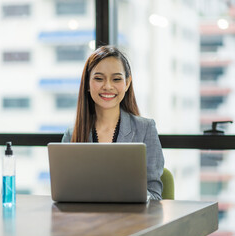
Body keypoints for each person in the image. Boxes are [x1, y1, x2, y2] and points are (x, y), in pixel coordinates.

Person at [62, 45, 164, 200]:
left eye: (116, 79)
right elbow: (64, 192)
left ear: (127, 83)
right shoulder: (71, 135)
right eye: (98, 78)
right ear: (88, 84)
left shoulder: (145, 129)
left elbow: (155, 195)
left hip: (130, 221)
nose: (108, 86)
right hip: (84, 221)